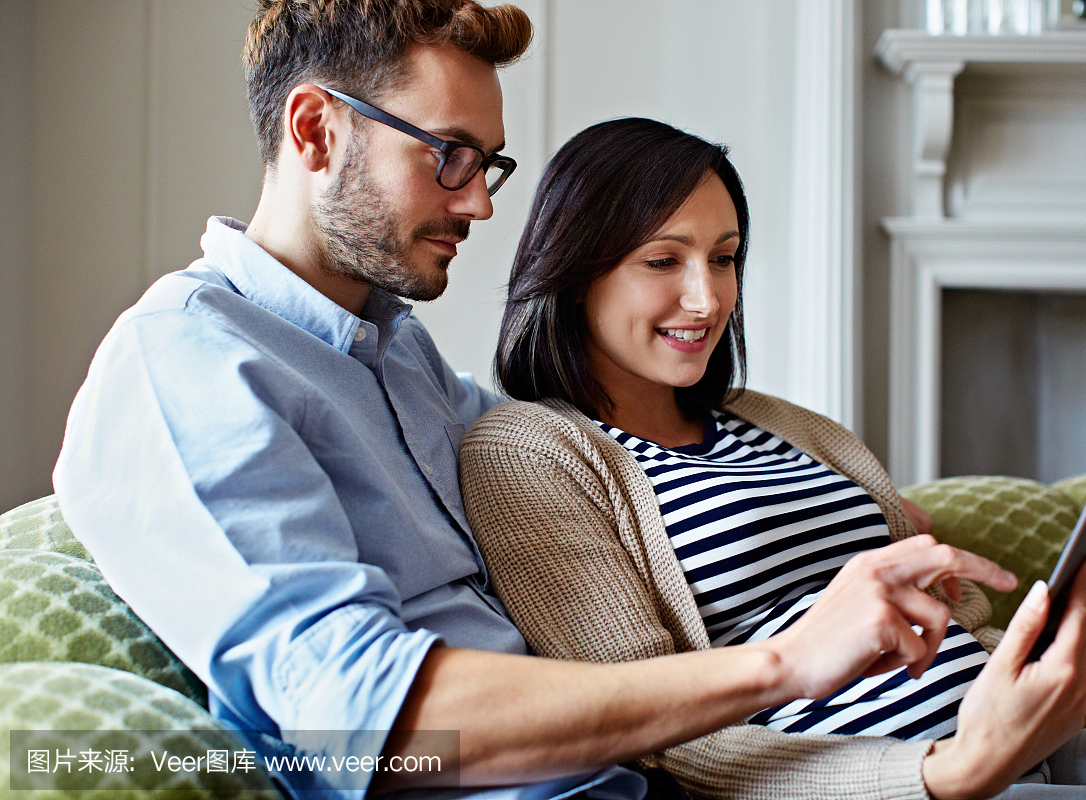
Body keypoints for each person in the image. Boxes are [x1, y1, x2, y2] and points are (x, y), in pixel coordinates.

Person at [50, 3, 1025, 800]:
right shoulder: (190, 361)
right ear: (315, 130)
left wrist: (846, 511)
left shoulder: (397, 354)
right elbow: (361, 717)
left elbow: (592, 446)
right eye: (448, 155)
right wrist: (786, 660)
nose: (480, 203)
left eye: (489, 163)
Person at [458, 118, 1086, 799]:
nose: (707, 299)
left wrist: (1028, 659)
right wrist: (942, 773)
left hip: (1008, 749)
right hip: (900, 782)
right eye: (662, 260)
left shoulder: (775, 422)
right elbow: (650, 731)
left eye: (724, 259)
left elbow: (951, 611)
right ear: (573, 273)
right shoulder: (528, 453)